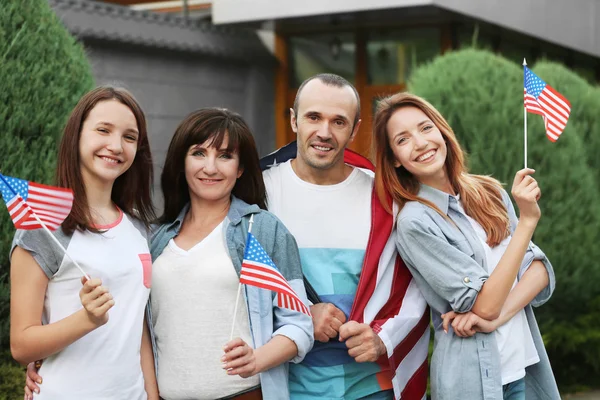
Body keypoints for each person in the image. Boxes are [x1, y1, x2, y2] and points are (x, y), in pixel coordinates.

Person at [25, 108, 314, 400]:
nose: (211, 167)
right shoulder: (153, 237)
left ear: (240, 169)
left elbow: (300, 325)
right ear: (182, 163)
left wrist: (258, 358)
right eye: (199, 153)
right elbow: (128, 321)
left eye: (225, 156)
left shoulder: (262, 229)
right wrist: (43, 357)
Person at [372, 92, 560, 399]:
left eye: (425, 128)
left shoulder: (490, 193)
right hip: (474, 380)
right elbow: (484, 304)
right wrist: (527, 222)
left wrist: (494, 319)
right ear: (394, 158)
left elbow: (538, 272)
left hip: (523, 369)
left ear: (441, 130)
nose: (420, 143)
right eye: (403, 140)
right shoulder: (416, 223)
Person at [261, 74, 429, 400]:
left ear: (354, 130)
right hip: (287, 386)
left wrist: (383, 336)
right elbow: (233, 287)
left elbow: (414, 285)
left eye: (338, 121)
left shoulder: (385, 197)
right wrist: (301, 315)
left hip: (373, 387)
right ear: (294, 120)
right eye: (313, 117)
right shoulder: (258, 193)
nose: (324, 132)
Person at [11, 86, 159, 400]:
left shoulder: (139, 228)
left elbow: (137, 327)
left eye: (129, 137)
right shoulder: (42, 227)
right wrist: (86, 319)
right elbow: (22, 345)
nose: (116, 146)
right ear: (77, 135)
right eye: (103, 130)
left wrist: (153, 395)